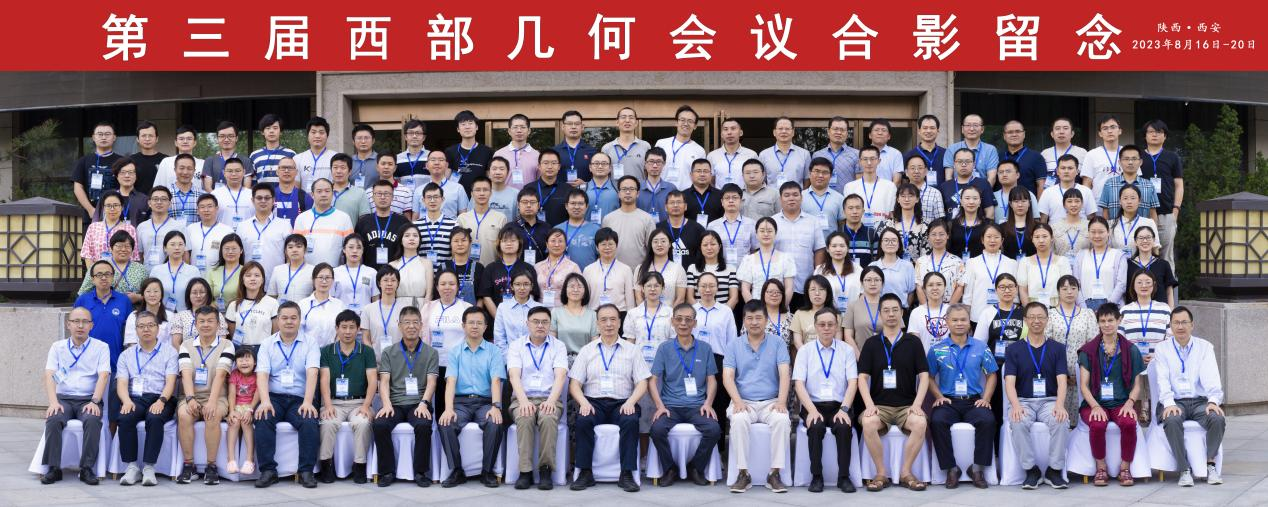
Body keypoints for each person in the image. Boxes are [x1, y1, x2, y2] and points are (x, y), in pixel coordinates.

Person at [569, 304, 652, 492]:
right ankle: (585, 473)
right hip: (593, 402)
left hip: (623, 402)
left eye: (613, 319)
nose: (608, 324)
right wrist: (583, 403)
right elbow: (574, 384)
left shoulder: (632, 350)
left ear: (620, 323)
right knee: (583, 420)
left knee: (630, 421)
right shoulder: (587, 350)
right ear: (597, 324)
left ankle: (627, 474)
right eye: (604, 320)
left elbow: (642, 382)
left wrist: (631, 402)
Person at [857, 294, 930, 492]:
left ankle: (906, 473)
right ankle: (881, 473)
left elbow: (924, 376)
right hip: (880, 407)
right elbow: (862, 378)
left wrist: (917, 404)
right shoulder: (872, 343)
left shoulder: (913, 342)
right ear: (880, 314)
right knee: (868, 423)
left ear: (902, 313)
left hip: (907, 406)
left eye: (895, 310)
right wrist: (869, 405)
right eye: (886, 310)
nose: (891, 314)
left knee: (920, 423)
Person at [648, 303, 721, 487]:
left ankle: (696, 467)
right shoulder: (664, 348)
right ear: (672, 321)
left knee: (714, 430)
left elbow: (712, 380)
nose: (683, 323)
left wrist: (708, 403)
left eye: (688, 320)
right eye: (679, 319)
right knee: (656, 430)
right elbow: (652, 380)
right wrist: (660, 406)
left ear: (694, 323)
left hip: (697, 406)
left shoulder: (705, 348)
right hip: (671, 406)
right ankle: (670, 469)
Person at [723, 301, 792, 494]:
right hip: (744, 401)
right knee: (738, 420)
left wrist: (781, 401)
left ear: (766, 320)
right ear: (744, 321)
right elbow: (728, 376)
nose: (754, 322)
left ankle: (774, 473)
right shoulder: (734, 345)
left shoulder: (777, 343)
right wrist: (737, 401)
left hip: (771, 401)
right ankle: (743, 474)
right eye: (750, 318)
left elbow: (784, 373)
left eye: (758, 318)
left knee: (782, 420)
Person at [926, 304, 997, 489]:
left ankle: (977, 469)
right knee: (937, 421)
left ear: (969, 322)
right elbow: (929, 377)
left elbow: (991, 375)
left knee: (988, 420)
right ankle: (951, 469)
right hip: (948, 401)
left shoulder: (981, 347)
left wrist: (986, 399)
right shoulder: (937, 349)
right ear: (947, 322)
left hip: (973, 401)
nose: (959, 323)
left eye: (963, 319)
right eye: (955, 320)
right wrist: (938, 396)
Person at [252, 301, 322, 488]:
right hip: (274, 397)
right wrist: (265, 401)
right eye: (284, 318)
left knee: (309, 420)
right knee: (263, 417)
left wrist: (308, 402)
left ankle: (306, 471)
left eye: (293, 318)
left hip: (300, 399)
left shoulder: (310, 343)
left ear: (300, 320)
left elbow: (312, 373)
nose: (289, 322)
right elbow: (262, 374)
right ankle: (268, 471)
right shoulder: (267, 344)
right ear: (278, 320)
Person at [40, 307, 111, 485]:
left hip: (89, 398)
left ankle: (86, 469)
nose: (80, 326)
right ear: (68, 324)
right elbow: (49, 375)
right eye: (76, 321)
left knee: (92, 420)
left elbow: (103, 376)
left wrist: (95, 401)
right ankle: (53, 468)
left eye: (85, 322)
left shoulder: (101, 347)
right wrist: (53, 402)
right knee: (54, 418)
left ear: (91, 325)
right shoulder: (57, 347)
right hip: (63, 398)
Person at [1003, 302, 1071, 489]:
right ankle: (1030, 470)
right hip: (1023, 401)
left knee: (1061, 420)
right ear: (1025, 320)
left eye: (1040, 317)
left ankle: (1054, 470)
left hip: (1049, 401)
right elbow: (1009, 383)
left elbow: (1062, 381)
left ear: (1047, 320)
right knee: (1017, 421)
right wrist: (1016, 406)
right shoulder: (1014, 349)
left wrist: (1060, 405)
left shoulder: (1057, 348)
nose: (1036, 321)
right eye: (1032, 317)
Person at [1155, 307, 1225, 487]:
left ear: (1192, 325)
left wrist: (1213, 401)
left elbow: (1212, 377)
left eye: (1184, 322)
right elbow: (1162, 380)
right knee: (1172, 419)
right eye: (1176, 323)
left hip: (1199, 401)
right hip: (1174, 401)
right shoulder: (1162, 349)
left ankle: (1210, 464)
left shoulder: (1204, 347)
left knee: (1217, 418)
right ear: (1170, 326)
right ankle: (1184, 468)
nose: (1180, 327)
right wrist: (1169, 403)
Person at [1077, 303, 1146, 487]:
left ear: (1119, 320)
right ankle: (1101, 467)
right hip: (1095, 402)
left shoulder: (1131, 350)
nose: (1106, 325)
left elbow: (1137, 385)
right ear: (1098, 323)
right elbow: (1083, 386)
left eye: (1110, 320)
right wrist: (1095, 406)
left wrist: (1130, 403)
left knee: (1129, 422)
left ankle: (1125, 468)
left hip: (1121, 402)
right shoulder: (1089, 350)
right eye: (1102, 321)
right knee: (1097, 423)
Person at [436, 308, 506, 488]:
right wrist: (448, 409)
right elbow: (450, 381)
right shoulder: (455, 352)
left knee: (495, 423)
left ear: (485, 327)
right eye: (471, 322)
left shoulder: (494, 351)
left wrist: (496, 406)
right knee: (445, 423)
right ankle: (457, 471)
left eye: (479, 323)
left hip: (485, 403)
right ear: (463, 326)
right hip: (461, 403)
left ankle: (487, 471)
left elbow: (496, 381)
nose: (475, 326)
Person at [792, 307, 859, 493]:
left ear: (837, 326)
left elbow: (853, 382)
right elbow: (799, 384)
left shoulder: (846, 350)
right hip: (813, 404)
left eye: (830, 324)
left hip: (839, 405)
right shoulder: (805, 351)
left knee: (844, 428)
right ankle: (816, 476)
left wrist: (844, 409)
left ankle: (843, 477)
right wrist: (811, 410)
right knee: (815, 427)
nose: (826, 328)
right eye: (822, 324)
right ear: (815, 327)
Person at [372, 306, 440, 487]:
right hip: (394, 403)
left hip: (418, 403)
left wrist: (424, 403)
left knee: (423, 425)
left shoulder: (431, 353)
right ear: (399, 325)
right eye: (407, 322)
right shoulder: (389, 352)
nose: (411, 326)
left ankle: (420, 472)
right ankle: (387, 472)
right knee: (380, 424)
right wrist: (386, 404)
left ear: (421, 325)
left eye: (415, 322)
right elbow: (384, 382)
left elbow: (432, 382)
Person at [508, 306, 570, 489]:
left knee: (548, 417)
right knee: (525, 416)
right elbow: (514, 376)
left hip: (549, 398)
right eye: (536, 322)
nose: (540, 325)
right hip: (522, 398)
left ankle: (545, 470)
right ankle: (525, 472)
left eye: (545, 322)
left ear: (550, 324)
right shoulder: (516, 345)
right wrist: (523, 401)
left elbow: (560, 376)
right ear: (527, 323)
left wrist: (551, 401)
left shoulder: (558, 346)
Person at [115, 310, 178, 486]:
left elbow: (171, 382)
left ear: (158, 328)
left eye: (150, 325)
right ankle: (132, 467)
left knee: (155, 417)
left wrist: (161, 401)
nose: (146, 329)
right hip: (135, 398)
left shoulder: (170, 352)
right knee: (125, 417)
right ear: (135, 330)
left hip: (162, 397)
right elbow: (121, 383)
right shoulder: (126, 355)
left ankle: (149, 467)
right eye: (141, 326)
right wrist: (126, 401)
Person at [175, 306, 235, 485]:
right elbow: (186, 374)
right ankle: (189, 465)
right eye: (201, 321)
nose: (206, 325)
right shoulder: (186, 345)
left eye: (210, 321)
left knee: (212, 414)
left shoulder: (227, 345)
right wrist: (190, 399)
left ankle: (211, 466)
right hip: (191, 395)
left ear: (218, 324)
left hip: (217, 396)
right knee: (184, 415)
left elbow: (221, 375)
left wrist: (212, 402)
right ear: (195, 324)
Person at [317, 310, 378, 483]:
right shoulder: (326, 351)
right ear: (337, 328)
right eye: (343, 327)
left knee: (363, 423)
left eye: (352, 327)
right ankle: (326, 465)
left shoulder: (367, 351)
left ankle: (359, 466)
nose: (348, 331)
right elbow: (324, 380)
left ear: (358, 329)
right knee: (328, 423)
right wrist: (328, 406)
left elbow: (373, 381)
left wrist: (366, 406)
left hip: (359, 402)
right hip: (334, 402)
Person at [1047, 276, 1099, 417]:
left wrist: (1082, 371)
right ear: (1058, 291)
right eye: (1064, 289)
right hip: (1055, 370)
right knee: (1058, 415)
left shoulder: (1088, 314)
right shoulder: (1050, 314)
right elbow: (1047, 344)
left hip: (1081, 370)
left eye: (1073, 288)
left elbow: (1093, 344)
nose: (1069, 292)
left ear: (1078, 290)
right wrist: (1060, 373)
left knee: (1079, 413)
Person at [423, 270, 473, 416]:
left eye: (451, 284)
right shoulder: (428, 307)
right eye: (443, 284)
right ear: (437, 287)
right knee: (438, 405)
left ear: (457, 286)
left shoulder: (467, 308)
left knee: (455, 406)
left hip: (459, 364)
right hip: (434, 364)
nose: (447, 287)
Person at [74, 260, 133, 381]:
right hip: (87, 362)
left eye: (107, 274)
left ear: (113, 277)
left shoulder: (124, 301)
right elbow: (74, 329)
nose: (104, 278)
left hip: (115, 360)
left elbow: (129, 332)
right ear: (92, 279)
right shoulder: (83, 300)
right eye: (99, 275)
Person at [774, 182, 828, 305]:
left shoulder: (813, 221)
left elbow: (819, 250)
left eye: (795, 195)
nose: (791, 198)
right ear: (780, 199)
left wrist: (816, 277)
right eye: (787, 195)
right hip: (779, 284)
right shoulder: (773, 222)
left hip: (805, 283)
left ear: (801, 197)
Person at [1140, 120, 1184, 267]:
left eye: (1159, 132)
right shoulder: (1138, 157)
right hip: (1142, 213)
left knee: (1166, 255)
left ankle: (1168, 282)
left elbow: (1179, 185)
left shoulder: (1172, 157)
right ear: (1145, 135)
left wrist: (1175, 211)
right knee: (1142, 252)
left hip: (1166, 213)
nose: (1155, 135)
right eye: (1151, 132)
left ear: (1165, 136)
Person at [294, 178, 354, 267]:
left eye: (327, 191)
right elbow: (295, 248)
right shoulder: (301, 218)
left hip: (334, 271)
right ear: (312, 195)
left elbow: (350, 248)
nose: (323, 194)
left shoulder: (344, 218)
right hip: (306, 271)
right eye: (319, 191)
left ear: (332, 194)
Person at [961, 224, 1019, 317]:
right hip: (978, 314)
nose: (992, 240)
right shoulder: (972, 262)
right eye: (989, 237)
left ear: (1002, 240)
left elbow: (1015, 294)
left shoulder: (1011, 263)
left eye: (996, 237)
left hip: (1005, 316)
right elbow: (968, 295)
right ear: (982, 240)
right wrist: (966, 315)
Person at [71, 121, 123, 223]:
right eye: (100, 134)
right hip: (89, 216)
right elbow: (78, 188)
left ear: (114, 137)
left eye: (107, 134)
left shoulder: (122, 161)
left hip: (116, 216)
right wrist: (91, 210)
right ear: (93, 137)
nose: (104, 137)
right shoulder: (84, 161)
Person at [478, 227, 535, 318]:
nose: (509, 244)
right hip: (496, 319)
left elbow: (532, 294)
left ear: (519, 243)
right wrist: (499, 318)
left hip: (522, 318)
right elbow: (486, 296)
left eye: (513, 240)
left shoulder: (528, 268)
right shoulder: (490, 268)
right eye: (504, 241)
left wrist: (522, 316)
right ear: (499, 244)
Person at [76, 231, 147, 304]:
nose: (123, 249)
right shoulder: (99, 266)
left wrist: (138, 297)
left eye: (127, 246)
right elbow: (83, 292)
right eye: (119, 246)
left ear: (132, 249)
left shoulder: (141, 269)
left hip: (133, 309)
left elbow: (149, 293)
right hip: (104, 308)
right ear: (111, 248)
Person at [736, 217, 795, 303]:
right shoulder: (748, 260)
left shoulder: (786, 258)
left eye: (770, 231)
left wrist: (782, 308)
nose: (766, 234)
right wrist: (754, 309)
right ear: (756, 234)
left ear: (775, 233)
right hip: (756, 308)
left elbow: (789, 288)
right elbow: (745, 290)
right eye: (762, 231)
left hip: (780, 307)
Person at [603, 175, 658, 268]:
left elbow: (652, 248)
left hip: (640, 271)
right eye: (624, 189)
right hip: (613, 271)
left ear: (638, 193)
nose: (628, 192)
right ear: (619, 193)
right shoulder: (608, 219)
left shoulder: (647, 219)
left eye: (632, 189)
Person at [356, 179, 411, 270]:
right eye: (379, 194)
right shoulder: (363, 222)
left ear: (392, 197)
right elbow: (358, 251)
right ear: (373, 197)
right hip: (369, 273)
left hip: (396, 273)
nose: (382, 197)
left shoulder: (402, 222)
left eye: (386, 194)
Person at [1074, 217, 1127, 309]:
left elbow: (1121, 285)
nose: (1097, 236)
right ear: (1088, 233)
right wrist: (1084, 308)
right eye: (1093, 232)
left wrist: (1108, 307)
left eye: (1101, 232)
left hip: (1111, 307)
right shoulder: (1081, 255)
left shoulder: (1118, 255)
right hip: (1085, 306)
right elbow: (1075, 284)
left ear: (1108, 232)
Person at [1098, 145, 1160, 223]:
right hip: (1115, 229)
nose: (1130, 162)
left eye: (1134, 159)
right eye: (1126, 159)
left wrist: (1154, 229)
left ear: (1140, 162)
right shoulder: (1109, 184)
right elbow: (1105, 211)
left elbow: (1153, 213)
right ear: (1119, 162)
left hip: (1142, 229)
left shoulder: (1149, 185)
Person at [238, 184, 290, 275]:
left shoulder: (284, 225)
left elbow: (290, 256)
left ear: (273, 200)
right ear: (253, 201)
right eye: (259, 198)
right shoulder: (242, 227)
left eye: (267, 198)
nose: (263, 201)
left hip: (276, 279)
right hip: (250, 279)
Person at [973, 274, 1025, 363]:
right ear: (996, 290)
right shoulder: (987, 313)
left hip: (1019, 363)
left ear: (1016, 289)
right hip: (993, 363)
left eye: (1010, 286)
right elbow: (978, 344)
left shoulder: (1024, 313)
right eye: (1002, 287)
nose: (1007, 290)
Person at [583, 227, 637, 312]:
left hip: (620, 313)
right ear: (597, 247)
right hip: (594, 313)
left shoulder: (626, 269)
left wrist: (630, 315)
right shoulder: (588, 270)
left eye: (611, 244)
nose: (607, 247)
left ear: (616, 246)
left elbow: (630, 299)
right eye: (603, 244)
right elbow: (585, 297)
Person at [457, 176, 508, 266]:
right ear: (472, 194)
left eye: (485, 190)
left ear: (491, 193)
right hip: (467, 269)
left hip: (492, 269)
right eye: (477, 190)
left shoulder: (501, 218)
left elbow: (504, 248)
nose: (481, 193)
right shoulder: (462, 218)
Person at [843, 146, 898, 227]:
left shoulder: (890, 186)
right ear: (860, 161)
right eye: (865, 159)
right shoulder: (849, 187)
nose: (869, 163)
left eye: (872, 159)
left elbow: (891, 214)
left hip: (883, 232)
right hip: (858, 231)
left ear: (879, 161)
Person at [1018, 223, 1070, 308]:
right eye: (1037, 237)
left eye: (1045, 236)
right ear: (1032, 239)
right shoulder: (1025, 262)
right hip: (1032, 309)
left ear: (1052, 238)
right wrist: (1029, 310)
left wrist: (1058, 310)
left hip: (1057, 308)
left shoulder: (1063, 261)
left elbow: (1066, 288)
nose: (1041, 240)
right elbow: (1023, 290)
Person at [80, 191, 140, 265]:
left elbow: (134, 256)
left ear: (122, 207)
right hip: (97, 270)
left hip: (122, 271)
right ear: (103, 208)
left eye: (116, 205)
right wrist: (93, 271)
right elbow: (87, 254)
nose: (112, 209)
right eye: (108, 205)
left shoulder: (130, 229)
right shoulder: (93, 227)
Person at [654, 105, 707, 188]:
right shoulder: (661, 144)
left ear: (695, 126)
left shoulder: (700, 151)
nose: (686, 124)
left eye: (690, 121)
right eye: (682, 120)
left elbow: (700, 177)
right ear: (676, 122)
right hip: (662, 192)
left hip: (686, 194)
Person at [915, 220, 965, 306]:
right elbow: (919, 288)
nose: (937, 238)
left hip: (949, 308)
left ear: (947, 235)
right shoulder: (921, 261)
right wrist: (926, 309)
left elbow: (960, 287)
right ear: (928, 237)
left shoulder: (957, 261)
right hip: (926, 308)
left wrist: (948, 309)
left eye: (941, 234)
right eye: (933, 234)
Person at [707, 184, 757, 270]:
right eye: (727, 198)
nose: (731, 201)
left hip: (746, 272)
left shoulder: (751, 224)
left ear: (741, 201)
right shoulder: (712, 226)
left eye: (735, 198)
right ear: (722, 202)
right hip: (720, 272)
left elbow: (756, 250)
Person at [940, 148, 997, 224]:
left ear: (974, 164)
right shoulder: (945, 186)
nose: (963, 165)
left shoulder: (983, 183)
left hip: (978, 228)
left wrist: (987, 228)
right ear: (954, 164)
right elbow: (941, 213)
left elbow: (989, 211)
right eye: (959, 161)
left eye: (967, 161)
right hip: (952, 229)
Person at [225, 348, 259, 476]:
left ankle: (249, 459)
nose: (244, 362)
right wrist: (231, 411)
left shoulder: (257, 375)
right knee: (234, 422)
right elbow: (231, 394)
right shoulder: (234, 374)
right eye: (240, 359)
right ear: (236, 362)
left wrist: (250, 410)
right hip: (237, 406)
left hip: (252, 406)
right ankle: (231, 459)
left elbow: (258, 395)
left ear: (255, 362)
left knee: (245, 422)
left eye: (247, 359)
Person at [1126, 226, 1179, 306]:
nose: (1145, 241)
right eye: (1141, 238)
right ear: (1135, 242)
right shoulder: (1128, 265)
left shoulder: (1163, 264)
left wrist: (1171, 310)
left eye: (1148, 237)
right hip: (1134, 311)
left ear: (1154, 240)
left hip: (1160, 310)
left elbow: (1169, 291)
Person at [298, 263, 347, 348]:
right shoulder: (303, 304)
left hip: (332, 352)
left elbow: (342, 330)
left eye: (328, 278)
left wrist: (333, 350)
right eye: (320, 277)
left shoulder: (339, 305)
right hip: (308, 350)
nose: (324, 281)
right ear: (313, 280)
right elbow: (298, 331)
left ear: (333, 280)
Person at [943, 114, 1000, 186]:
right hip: (957, 191)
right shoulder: (952, 149)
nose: (972, 129)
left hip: (982, 191)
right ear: (962, 129)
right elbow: (948, 177)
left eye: (975, 125)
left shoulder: (990, 150)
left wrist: (983, 191)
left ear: (982, 129)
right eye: (968, 125)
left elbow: (992, 177)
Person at [492, 272, 543, 352]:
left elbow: (542, 336)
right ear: (512, 286)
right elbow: (499, 338)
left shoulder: (540, 308)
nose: (522, 288)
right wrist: (509, 357)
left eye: (526, 284)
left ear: (531, 286)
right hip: (509, 355)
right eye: (517, 284)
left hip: (534, 355)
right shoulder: (503, 307)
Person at [445, 110, 494, 192]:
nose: (467, 127)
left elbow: (490, 177)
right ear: (458, 129)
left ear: (476, 127)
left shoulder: (487, 151)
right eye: (463, 124)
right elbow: (446, 177)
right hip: (456, 195)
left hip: (480, 195)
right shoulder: (450, 151)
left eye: (470, 123)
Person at [686, 231, 738, 307]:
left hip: (723, 312)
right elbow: (689, 297)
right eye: (705, 245)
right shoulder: (692, 268)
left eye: (713, 244)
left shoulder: (730, 269)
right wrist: (701, 312)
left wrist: (723, 312)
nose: (709, 248)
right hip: (698, 313)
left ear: (719, 246)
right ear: (700, 247)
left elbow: (734, 298)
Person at [879, 183, 930, 260]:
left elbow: (926, 256)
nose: (906, 199)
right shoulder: (887, 224)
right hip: (892, 265)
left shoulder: (925, 226)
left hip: (918, 266)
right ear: (898, 199)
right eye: (903, 196)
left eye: (910, 196)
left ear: (917, 199)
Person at [637, 229, 688, 305]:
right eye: (655, 242)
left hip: (670, 311)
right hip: (645, 312)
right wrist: (646, 311)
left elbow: (680, 299)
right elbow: (639, 297)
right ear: (651, 245)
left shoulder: (678, 269)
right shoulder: (641, 268)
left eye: (663, 241)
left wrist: (670, 312)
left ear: (670, 244)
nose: (659, 244)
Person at [185, 194, 233, 274]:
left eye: (210, 206)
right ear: (197, 210)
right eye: (202, 207)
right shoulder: (190, 229)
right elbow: (186, 254)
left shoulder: (227, 231)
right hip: (193, 276)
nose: (206, 210)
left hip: (217, 276)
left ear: (216, 209)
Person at [362, 267, 407, 353]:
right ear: (379, 283)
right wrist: (372, 356)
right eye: (385, 280)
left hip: (399, 358)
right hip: (375, 358)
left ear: (398, 283)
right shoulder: (368, 309)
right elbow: (365, 338)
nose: (389, 283)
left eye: (393, 280)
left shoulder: (405, 309)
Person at [551, 273, 597, 356]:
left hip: (585, 358)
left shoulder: (592, 315)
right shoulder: (555, 312)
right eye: (572, 286)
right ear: (565, 290)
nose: (575, 290)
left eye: (580, 286)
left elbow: (595, 343)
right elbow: (552, 342)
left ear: (585, 291)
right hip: (561, 358)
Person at [658, 190, 705, 270]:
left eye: (679, 202)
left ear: (685, 206)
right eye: (672, 202)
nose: (675, 205)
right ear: (666, 207)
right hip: (665, 274)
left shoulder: (697, 229)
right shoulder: (658, 228)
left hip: (691, 274)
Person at [155, 231, 201, 313]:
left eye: (180, 244)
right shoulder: (157, 270)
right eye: (172, 244)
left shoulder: (194, 271)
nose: (177, 248)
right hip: (162, 315)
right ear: (165, 248)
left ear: (185, 247)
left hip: (187, 315)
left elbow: (198, 296)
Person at [870, 227, 916, 309]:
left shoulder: (908, 266)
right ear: (880, 244)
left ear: (899, 244)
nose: (890, 243)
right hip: (877, 311)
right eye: (886, 240)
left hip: (901, 311)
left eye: (894, 240)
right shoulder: (872, 266)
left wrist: (903, 310)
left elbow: (911, 292)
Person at [842, 266, 886, 353]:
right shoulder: (853, 306)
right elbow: (848, 336)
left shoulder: (890, 305)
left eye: (877, 280)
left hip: (887, 356)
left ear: (882, 283)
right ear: (862, 283)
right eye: (868, 280)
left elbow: (897, 333)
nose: (873, 283)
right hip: (860, 355)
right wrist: (860, 357)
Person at [94, 157, 149, 224]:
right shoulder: (107, 197)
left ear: (136, 176)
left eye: (130, 172)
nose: (127, 176)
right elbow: (96, 221)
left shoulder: (144, 200)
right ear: (117, 176)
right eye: (123, 172)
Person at [758, 117, 812, 187]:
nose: (784, 131)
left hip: (796, 194)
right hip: (772, 194)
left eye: (787, 129)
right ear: (774, 132)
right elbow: (761, 180)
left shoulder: (804, 154)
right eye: (780, 129)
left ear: (793, 132)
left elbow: (807, 179)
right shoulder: (764, 155)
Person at [601, 106, 652, 180]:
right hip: (614, 188)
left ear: (636, 123)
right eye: (623, 117)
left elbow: (649, 173)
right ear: (617, 122)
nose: (627, 120)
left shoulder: (645, 146)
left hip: (639, 188)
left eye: (631, 117)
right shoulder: (607, 148)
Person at [138, 187, 182, 269]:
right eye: (155, 199)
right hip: (146, 273)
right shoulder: (141, 227)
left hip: (170, 273)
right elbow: (139, 254)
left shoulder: (178, 226)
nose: (159, 202)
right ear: (149, 203)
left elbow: (185, 254)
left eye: (163, 199)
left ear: (170, 203)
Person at [1083, 115, 1126, 201]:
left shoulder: (1128, 153)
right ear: (1100, 133)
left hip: (1125, 203)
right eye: (1105, 128)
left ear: (1120, 131)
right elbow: (1086, 184)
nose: (1109, 131)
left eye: (1113, 127)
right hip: (1099, 204)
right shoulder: (1092, 154)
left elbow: (1136, 180)